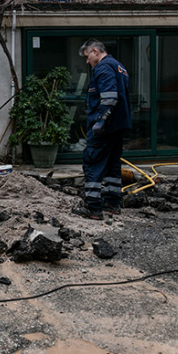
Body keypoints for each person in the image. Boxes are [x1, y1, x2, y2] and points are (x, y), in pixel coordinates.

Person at [73, 39, 131, 220]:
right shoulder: (119, 67)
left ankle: (93, 208)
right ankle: (113, 203)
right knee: (113, 165)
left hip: (104, 129)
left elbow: (109, 98)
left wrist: (100, 122)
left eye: (87, 57)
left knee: (93, 163)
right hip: (117, 127)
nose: (87, 62)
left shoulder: (104, 68)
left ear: (95, 51)